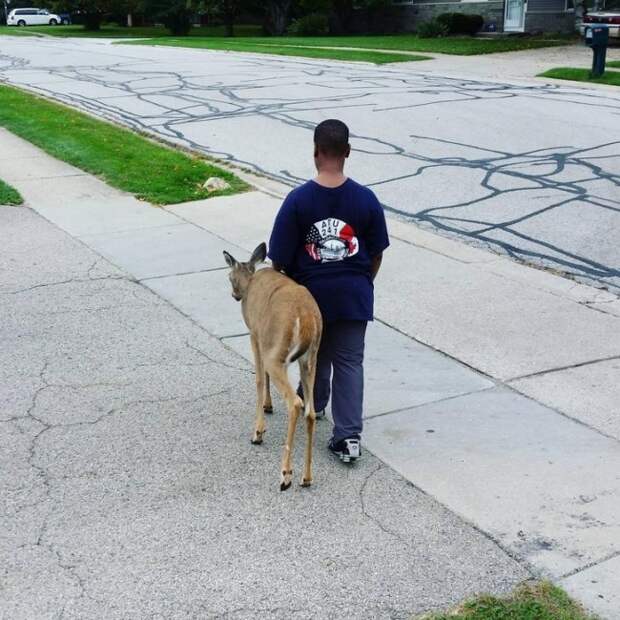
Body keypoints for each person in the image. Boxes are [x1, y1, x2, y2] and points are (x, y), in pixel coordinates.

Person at [268, 119, 390, 463]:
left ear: (315, 153)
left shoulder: (298, 201)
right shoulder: (366, 199)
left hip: (311, 297)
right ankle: (348, 438)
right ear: (348, 153)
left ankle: (313, 405)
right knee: (350, 361)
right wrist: (363, 281)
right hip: (354, 293)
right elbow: (377, 252)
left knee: (313, 355)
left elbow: (277, 260)